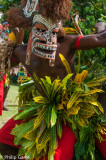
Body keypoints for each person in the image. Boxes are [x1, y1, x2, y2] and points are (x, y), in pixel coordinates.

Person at [0, 0, 106, 159]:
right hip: (42, 107)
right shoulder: (19, 53)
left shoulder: (67, 43)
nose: (49, 38)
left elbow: (99, 39)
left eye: (54, 32)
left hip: (71, 111)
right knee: (3, 141)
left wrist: (101, 27)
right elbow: (4, 62)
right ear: (32, 30)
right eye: (42, 30)